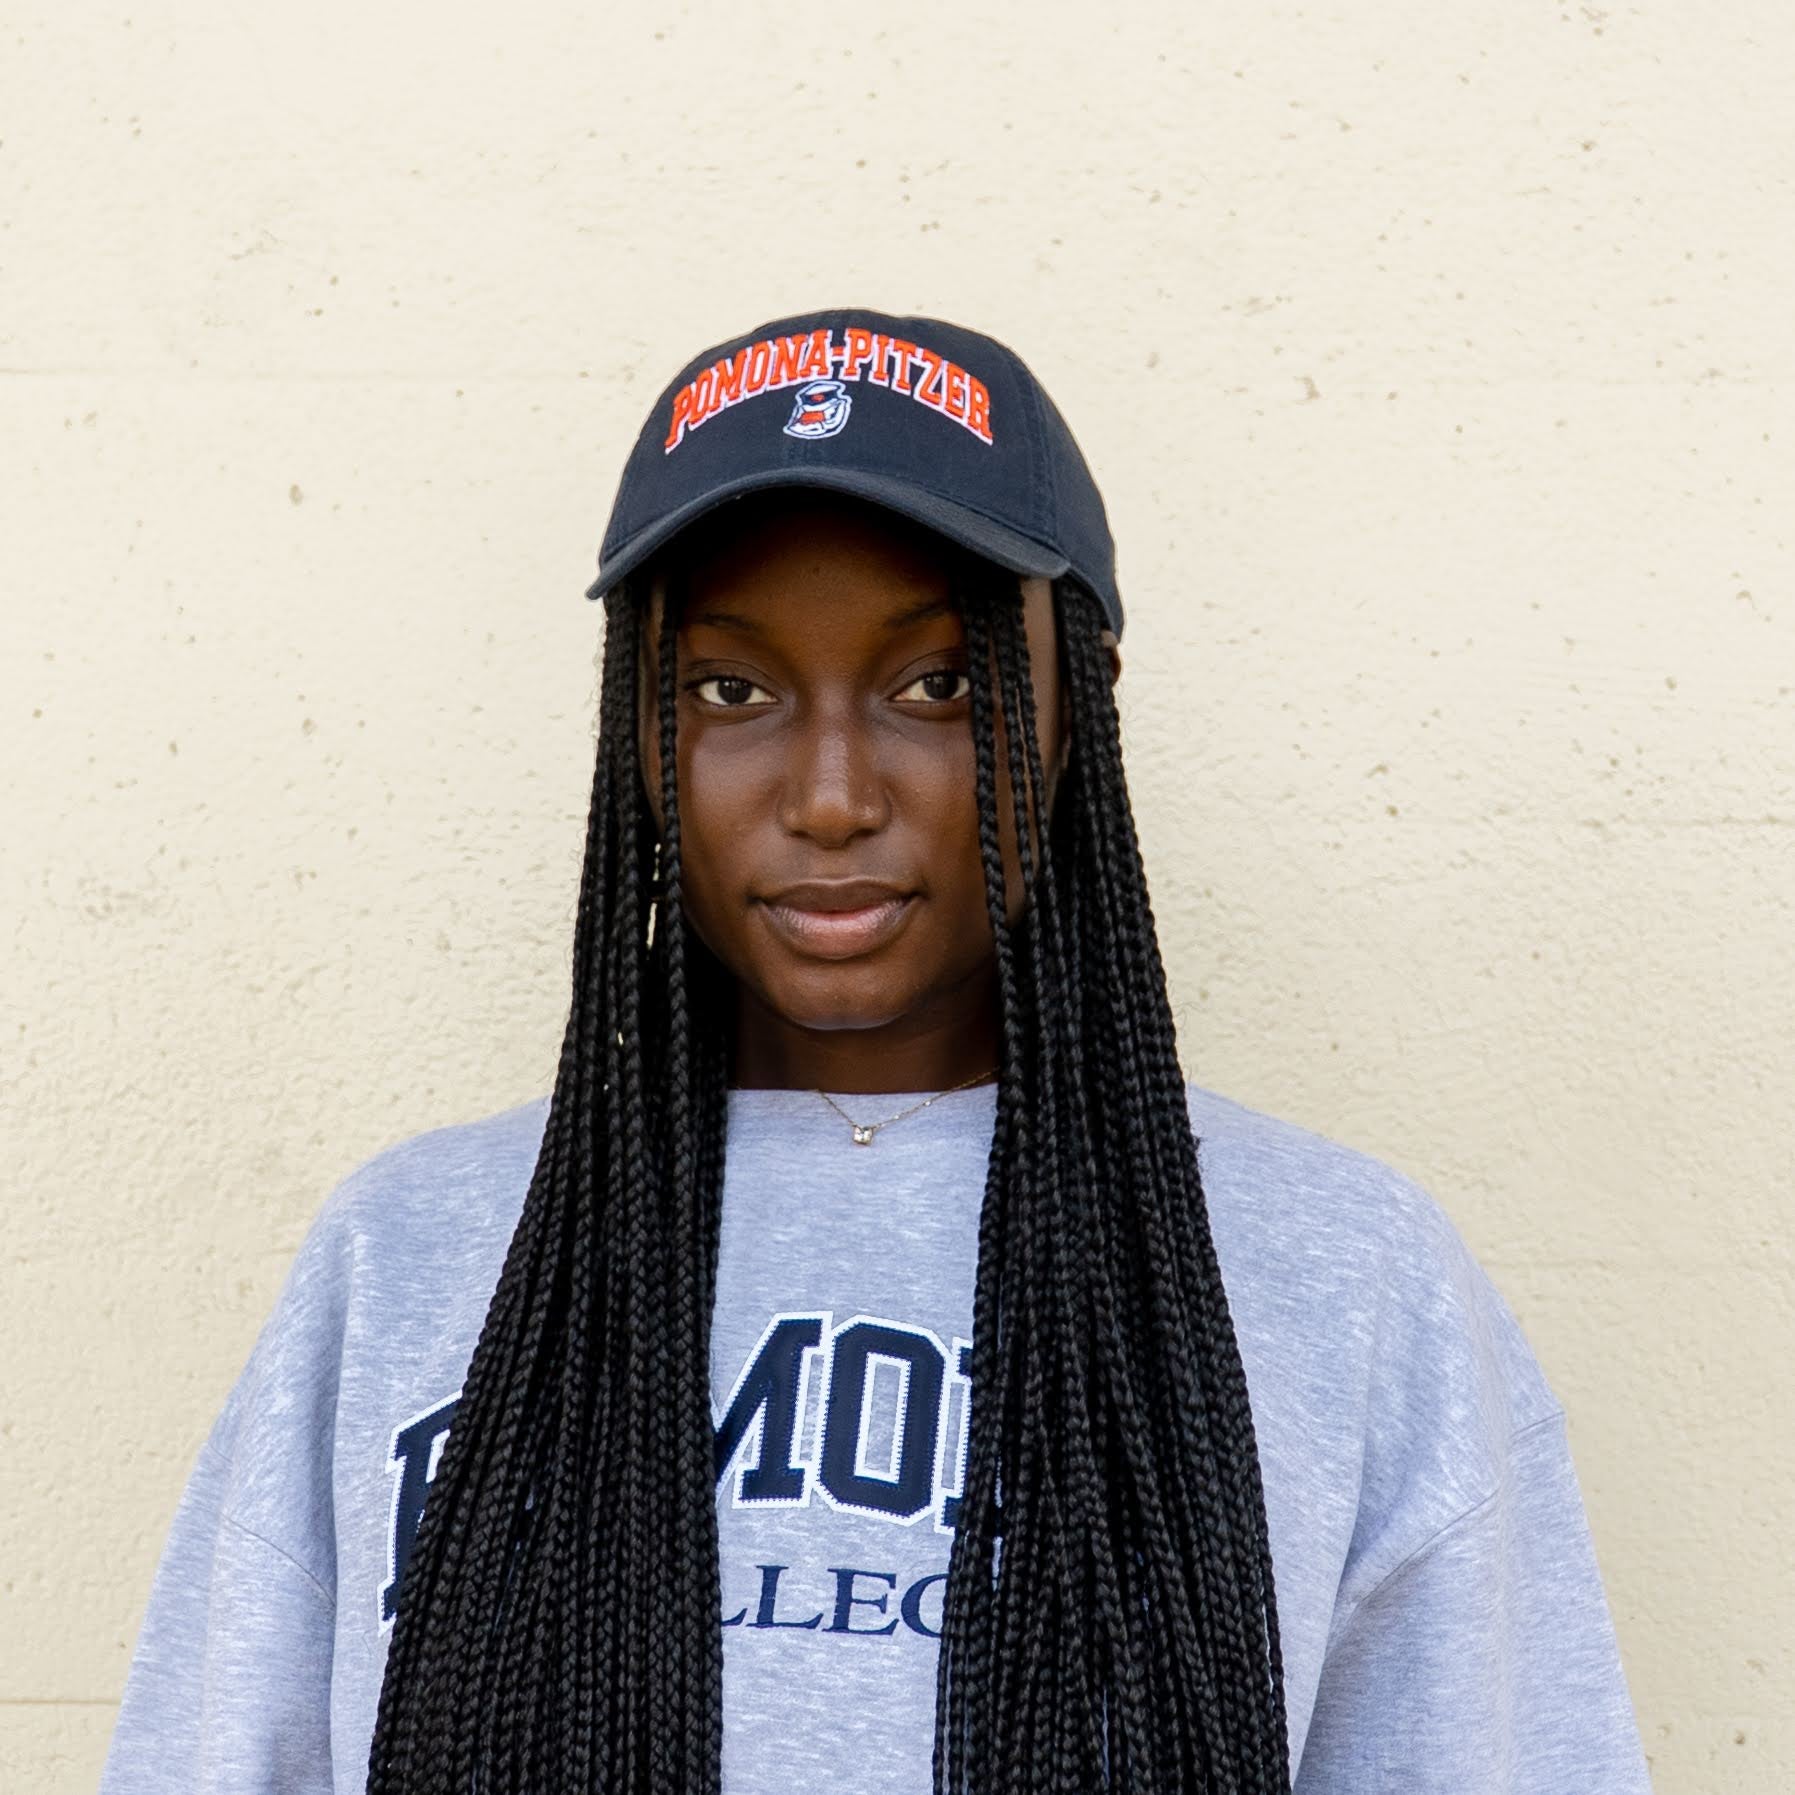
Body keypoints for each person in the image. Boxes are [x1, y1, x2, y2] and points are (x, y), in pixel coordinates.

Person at [98, 308, 1654, 1794]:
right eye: (730, 688)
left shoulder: (1341, 1273)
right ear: (636, 725)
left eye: (938, 684)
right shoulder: (410, 1258)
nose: (832, 792)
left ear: (1077, 708)